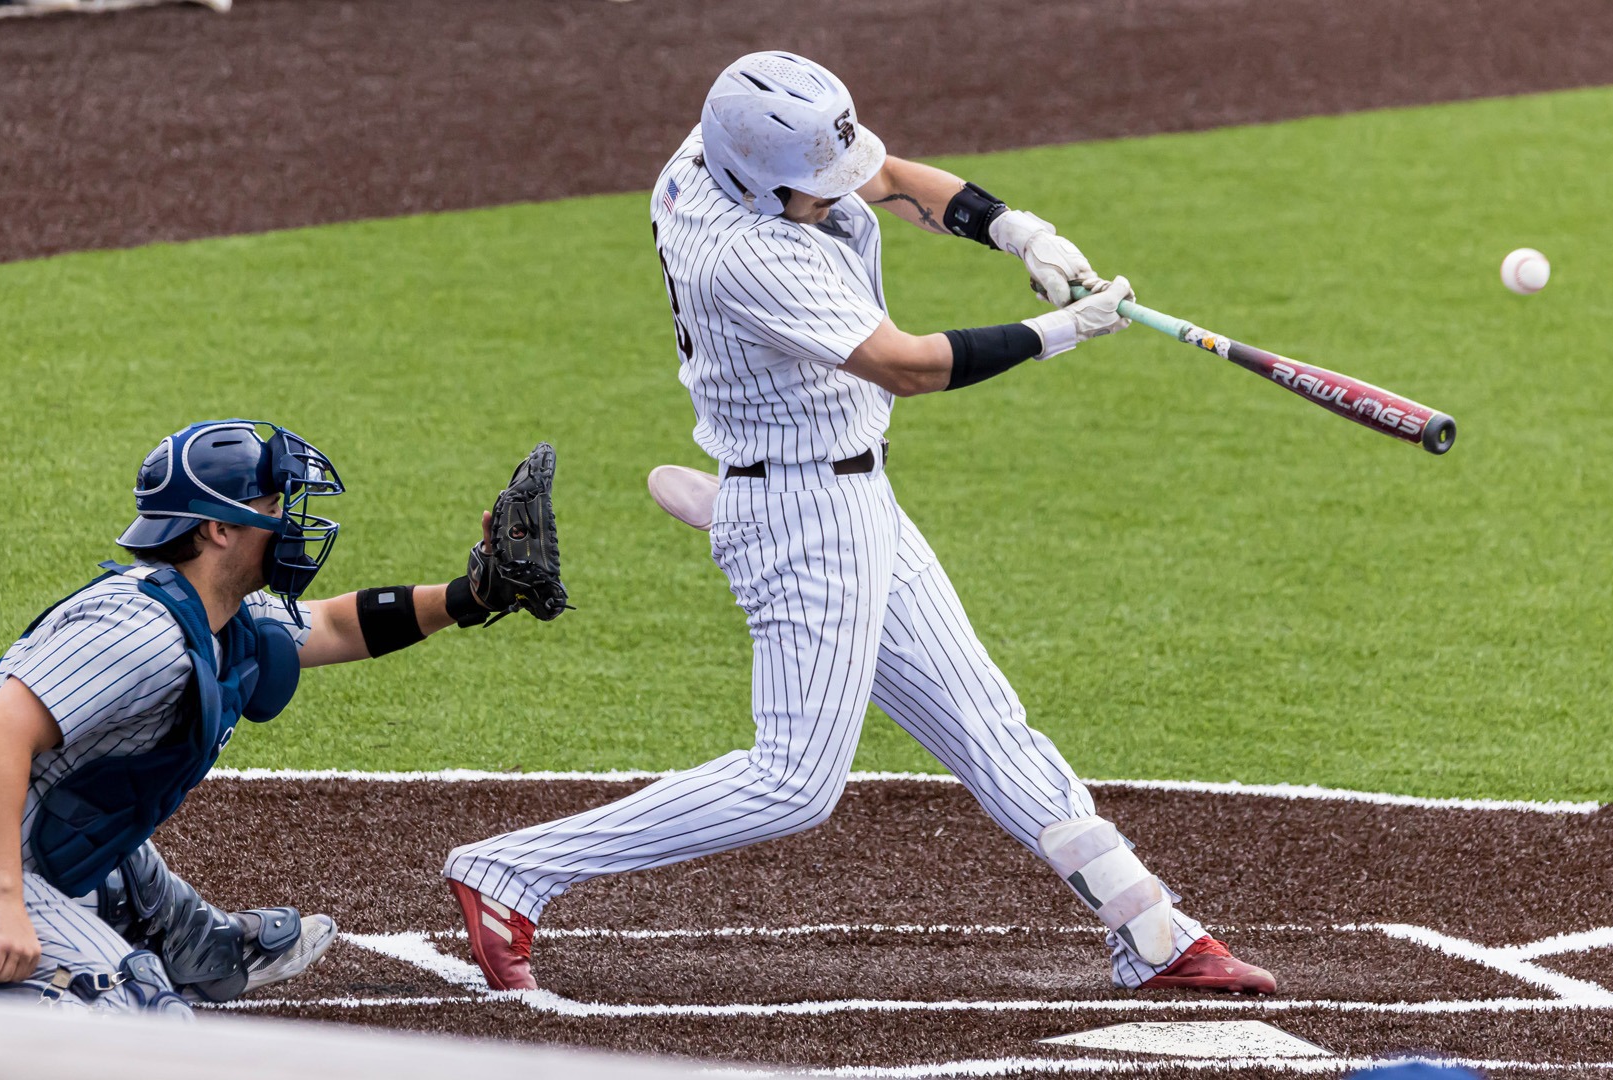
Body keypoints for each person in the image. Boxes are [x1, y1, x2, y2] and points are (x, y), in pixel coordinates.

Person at [443, 52, 1276, 996]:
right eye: (813, 188)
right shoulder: (750, 255)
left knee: (990, 729)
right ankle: (512, 870)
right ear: (759, 181)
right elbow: (907, 364)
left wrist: (1018, 232)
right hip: (804, 516)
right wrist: (1064, 332)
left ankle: (1154, 933)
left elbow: (884, 176)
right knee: (795, 782)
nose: (840, 194)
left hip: (845, 492)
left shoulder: (720, 153)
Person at [0, 420, 563, 1012]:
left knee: (123, 855)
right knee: (134, 1014)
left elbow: (336, 625)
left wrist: (472, 594)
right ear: (218, 529)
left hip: (13, 839)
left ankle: (193, 944)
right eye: (274, 504)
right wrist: (3, 900)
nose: (293, 521)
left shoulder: (217, 614)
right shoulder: (138, 630)